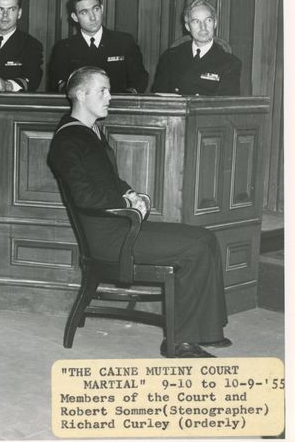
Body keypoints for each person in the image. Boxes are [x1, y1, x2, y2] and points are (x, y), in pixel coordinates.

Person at [47, 66, 229, 358]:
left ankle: (206, 330)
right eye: (102, 91)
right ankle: (180, 342)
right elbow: (84, 196)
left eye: (109, 90)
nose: (110, 97)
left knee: (205, 238)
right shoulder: (68, 139)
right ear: (80, 94)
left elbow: (109, 179)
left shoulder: (89, 131)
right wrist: (127, 204)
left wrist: (130, 192)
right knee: (195, 248)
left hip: (121, 226)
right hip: (109, 238)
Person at [47, 0, 148, 93]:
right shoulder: (63, 48)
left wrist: (125, 98)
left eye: (96, 9)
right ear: (75, 17)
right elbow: (59, 85)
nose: (92, 17)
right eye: (84, 12)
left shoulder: (124, 42)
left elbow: (140, 79)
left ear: (102, 9)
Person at [151, 0, 242, 95]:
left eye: (208, 20)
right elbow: (159, 97)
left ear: (215, 23)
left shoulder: (230, 63)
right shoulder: (170, 57)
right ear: (188, 27)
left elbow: (225, 102)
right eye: (196, 22)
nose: (203, 27)